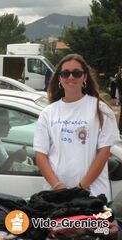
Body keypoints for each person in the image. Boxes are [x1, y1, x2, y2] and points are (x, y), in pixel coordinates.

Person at [34, 53, 119, 200]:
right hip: (56, 194)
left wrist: (81, 188)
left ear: (85, 77)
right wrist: (57, 186)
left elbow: (104, 154)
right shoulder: (47, 113)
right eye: (65, 73)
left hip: (92, 193)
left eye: (77, 73)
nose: (71, 77)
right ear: (59, 78)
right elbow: (40, 154)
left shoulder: (101, 110)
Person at [0, 107, 37, 172]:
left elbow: (5, 164)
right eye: (6, 123)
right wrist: (14, 157)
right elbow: (0, 172)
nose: (10, 126)